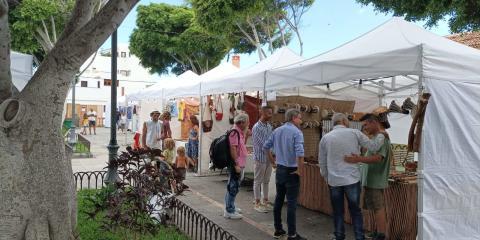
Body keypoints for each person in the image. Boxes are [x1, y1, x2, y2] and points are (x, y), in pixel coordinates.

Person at [319, 113, 385, 240]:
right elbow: (374, 146)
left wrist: (327, 178)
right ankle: (359, 237)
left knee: (338, 212)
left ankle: (339, 236)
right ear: (343, 120)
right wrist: (381, 134)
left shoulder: (326, 138)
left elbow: (322, 162)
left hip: (334, 181)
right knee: (355, 211)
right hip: (352, 180)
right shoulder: (354, 133)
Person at [345, 113, 392, 240]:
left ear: (374, 122)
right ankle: (377, 231)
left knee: (378, 207)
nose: (365, 128)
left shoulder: (382, 137)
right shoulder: (377, 138)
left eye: (366, 124)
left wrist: (358, 159)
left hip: (375, 180)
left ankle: (381, 234)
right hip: (371, 180)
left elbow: (378, 158)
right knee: (374, 207)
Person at [263, 109, 306, 240]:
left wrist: (273, 162)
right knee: (291, 204)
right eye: (299, 118)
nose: (301, 120)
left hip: (280, 169)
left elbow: (265, 147)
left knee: (279, 200)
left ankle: (278, 229)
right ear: (293, 118)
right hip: (292, 171)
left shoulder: (277, 130)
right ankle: (292, 234)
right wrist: (300, 170)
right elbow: (300, 153)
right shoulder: (297, 132)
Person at [224, 113, 249, 220]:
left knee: (232, 186)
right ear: (242, 122)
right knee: (233, 187)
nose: (248, 124)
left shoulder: (238, 132)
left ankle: (230, 206)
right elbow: (233, 149)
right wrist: (236, 164)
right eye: (247, 122)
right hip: (236, 164)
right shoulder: (234, 132)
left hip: (239, 163)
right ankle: (229, 210)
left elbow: (240, 146)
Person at [252, 106, 275, 213]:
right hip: (260, 158)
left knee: (266, 181)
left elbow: (271, 143)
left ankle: (265, 201)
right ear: (263, 113)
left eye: (271, 113)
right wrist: (272, 159)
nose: (271, 115)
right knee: (258, 180)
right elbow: (264, 145)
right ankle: (257, 203)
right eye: (269, 113)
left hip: (268, 158)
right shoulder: (256, 127)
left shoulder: (269, 126)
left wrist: (273, 156)